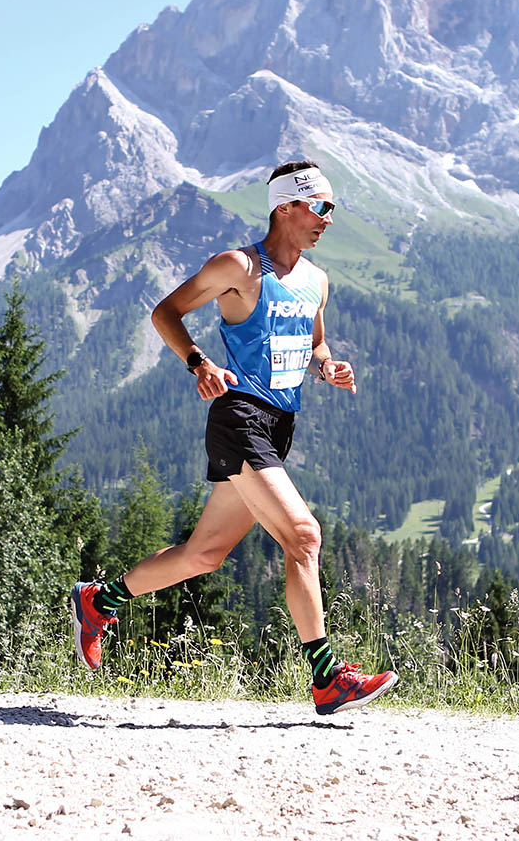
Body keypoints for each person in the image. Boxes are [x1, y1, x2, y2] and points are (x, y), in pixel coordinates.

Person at [70, 160, 398, 715]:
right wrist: (198, 362)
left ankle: (98, 601)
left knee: (204, 554)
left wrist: (328, 367)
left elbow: (314, 343)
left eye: (333, 209)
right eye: (320, 207)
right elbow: (166, 312)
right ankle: (327, 678)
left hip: (279, 425)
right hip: (238, 417)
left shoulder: (317, 280)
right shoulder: (239, 267)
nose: (328, 220)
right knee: (304, 535)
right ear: (285, 207)